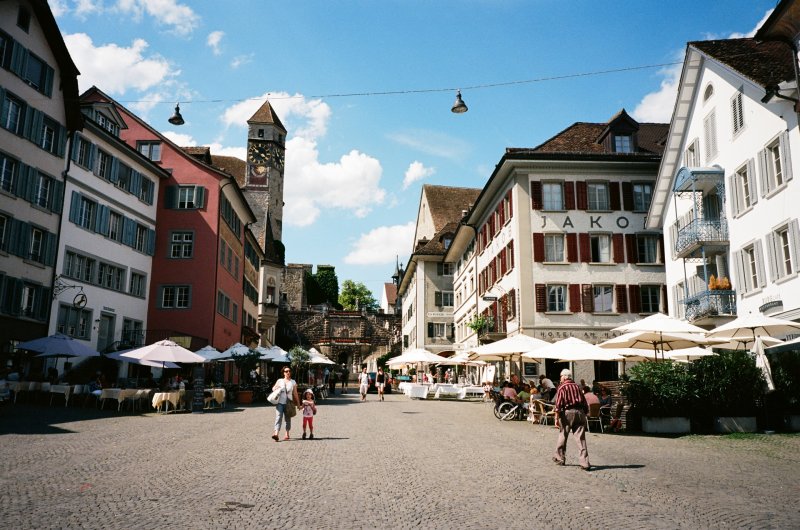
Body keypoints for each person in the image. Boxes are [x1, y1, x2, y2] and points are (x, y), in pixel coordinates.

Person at [552, 369, 591, 471]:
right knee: (581, 439)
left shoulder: (562, 387)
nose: (560, 378)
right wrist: (586, 412)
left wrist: (556, 417)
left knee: (563, 435)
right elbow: (584, 401)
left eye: (560, 376)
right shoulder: (577, 387)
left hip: (567, 413)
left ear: (565, 377)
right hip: (580, 412)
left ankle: (560, 458)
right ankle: (584, 462)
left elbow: (558, 404)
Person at [271, 367, 300, 442]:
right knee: (278, 417)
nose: (288, 372)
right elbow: (273, 388)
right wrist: (275, 388)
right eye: (286, 371)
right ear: (283, 373)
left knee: (287, 419)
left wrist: (298, 404)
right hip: (280, 402)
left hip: (289, 403)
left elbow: (295, 393)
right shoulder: (280, 380)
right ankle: (276, 434)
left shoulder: (293, 382)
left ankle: (287, 433)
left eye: (289, 371)